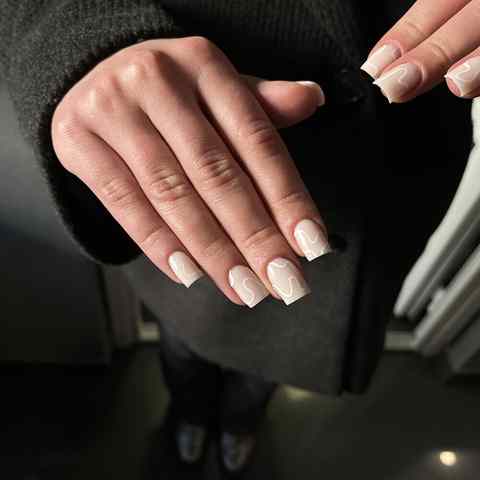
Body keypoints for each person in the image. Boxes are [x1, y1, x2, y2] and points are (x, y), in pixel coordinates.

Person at [0, 0, 476, 475]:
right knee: (184, 344)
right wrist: (82, 35)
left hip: (391, 165)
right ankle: (188, 414)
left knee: (270, 368)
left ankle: (240, 424)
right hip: (185, 154)